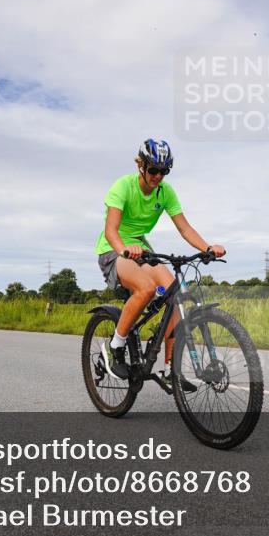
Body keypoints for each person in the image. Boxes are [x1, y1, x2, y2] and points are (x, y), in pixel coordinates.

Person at [95, 139, 226, 386]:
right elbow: (111, 230)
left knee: (175, 295)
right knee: (146, 288)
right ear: (141, 166)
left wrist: (207, 248)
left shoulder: (165, 192)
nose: (158, 176)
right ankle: (116, 346)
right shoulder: (123, 186)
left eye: (163, 171)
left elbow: (185, 228)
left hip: (141, 249)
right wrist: (124, 249)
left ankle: (170, 370)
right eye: (153, 169)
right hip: (113, 249)